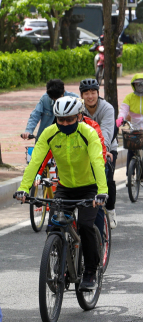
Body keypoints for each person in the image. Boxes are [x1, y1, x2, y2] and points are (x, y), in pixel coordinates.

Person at [15, 96, 107, 291]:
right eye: (61, 119)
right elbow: (35, 162)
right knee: (55, 224)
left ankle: (90, 270)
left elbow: (98, 162)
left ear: (80, 116)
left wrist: (102, 191)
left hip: (90, 187)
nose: (65, 123)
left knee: (84, 225)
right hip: (65, 187)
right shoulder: (49, 133)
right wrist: (24, 187)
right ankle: (60, 263)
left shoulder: (88, 133)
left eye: (70, 119)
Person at [79, 79, 118, 228]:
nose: (90, 96)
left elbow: (107, 132)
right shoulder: (78, 108)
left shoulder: (107, 108)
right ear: (81, 95)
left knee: (107, 179)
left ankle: (111, 209)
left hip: (107, 148)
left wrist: (103, 151)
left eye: (93, 93)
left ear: (98, 93)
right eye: (86, 93)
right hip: (83, 149)